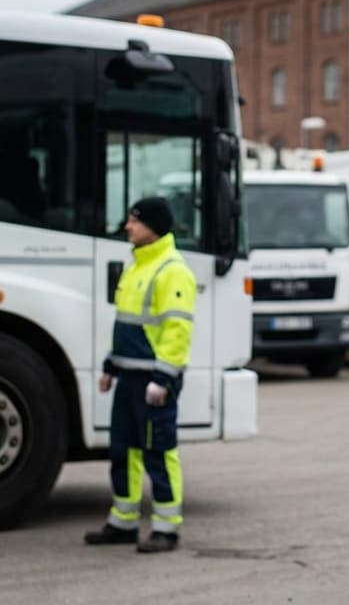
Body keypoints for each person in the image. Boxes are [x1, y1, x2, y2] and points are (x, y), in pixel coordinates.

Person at [85, 196, 196, 553]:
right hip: (131, 379)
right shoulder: (138, 265)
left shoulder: (172, 270)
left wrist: (162, 380)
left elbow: (177, 333)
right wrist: (110, 367)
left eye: (134, 221)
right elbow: (126, 326)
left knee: (158, 453)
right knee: (123, 451)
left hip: (153, 383)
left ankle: (167, 528)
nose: (127, 227)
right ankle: (123, 522)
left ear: (153, 226)